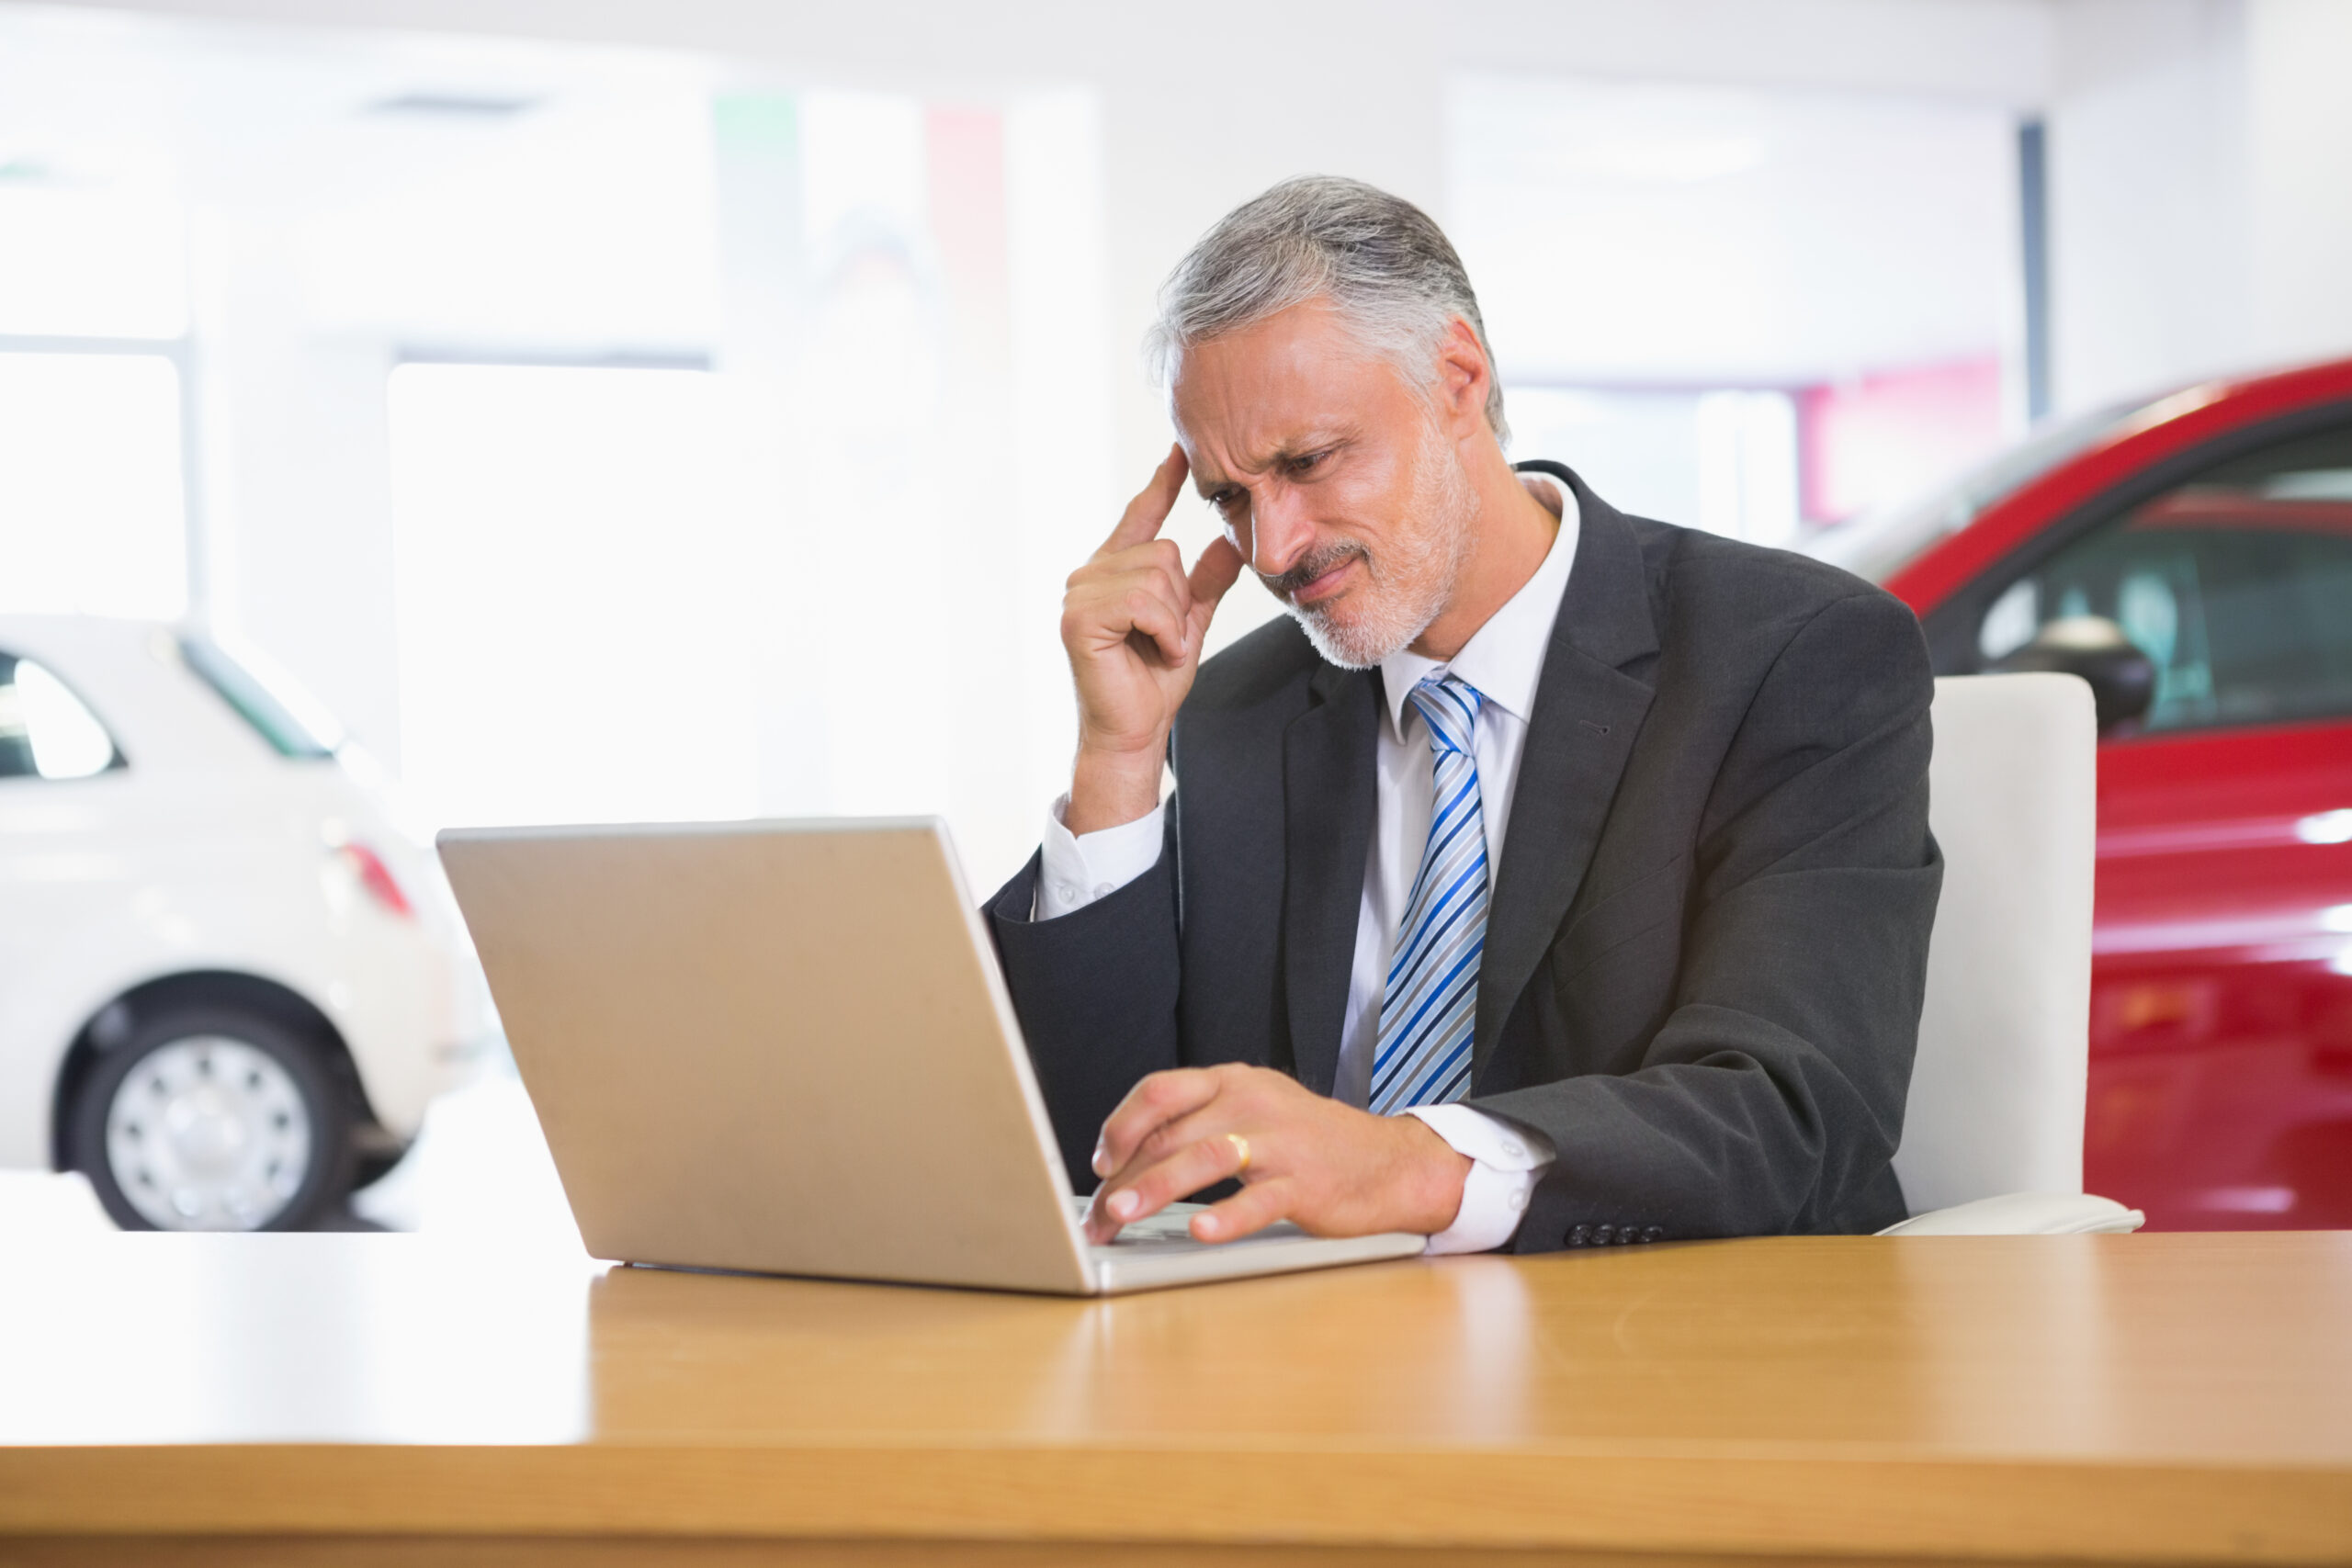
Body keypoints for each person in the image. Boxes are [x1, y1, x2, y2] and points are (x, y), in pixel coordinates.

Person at [985, 175, 1940, 1256]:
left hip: (1662, 1352)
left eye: (1306, 462)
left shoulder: (1789, 652)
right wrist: (1117, 756)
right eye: (1230, 498)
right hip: (1304, 1370)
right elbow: (1098, 1162)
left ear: (1457, 378)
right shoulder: (1235, 706)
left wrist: (1410, 1166)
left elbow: (1791, 1113)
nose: (1272, 550)